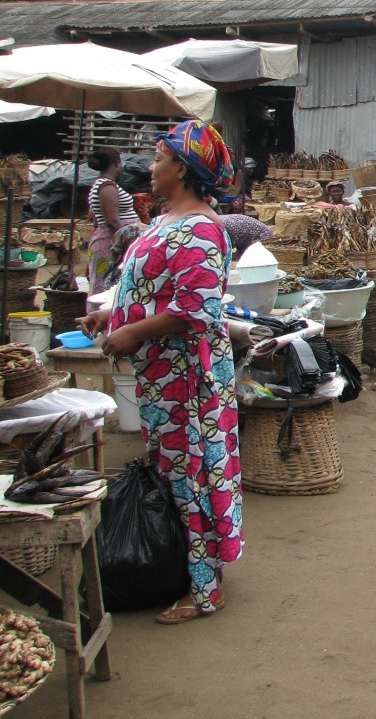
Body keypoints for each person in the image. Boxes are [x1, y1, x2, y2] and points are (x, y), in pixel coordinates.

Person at [79, 120, 242, 624]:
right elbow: (155, 288)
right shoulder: (167, 220)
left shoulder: (202, 230)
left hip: (188, 382)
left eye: (158, 159)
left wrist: (133, 334)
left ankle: (203, 591)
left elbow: (195, 311)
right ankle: (191, 565)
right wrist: (114, 314)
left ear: (184, 169)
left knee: (191, 475)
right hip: (165, 382)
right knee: (174, 475)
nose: (150, 167)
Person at [86, 147, 143, 294]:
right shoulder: (107, 186)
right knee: (104, 288)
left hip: (110, 242)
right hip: (110, 244)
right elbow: (112, 220)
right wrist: (129, 242)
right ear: (116, 163)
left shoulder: (103, 184)